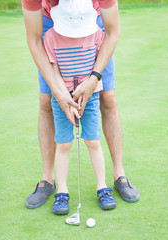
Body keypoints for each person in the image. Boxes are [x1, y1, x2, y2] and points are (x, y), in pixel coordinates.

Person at [22, 0, 140, 210]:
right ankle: (49, 179)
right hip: (53, 24)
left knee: (108, 97)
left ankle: (118, 174)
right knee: (46, 100)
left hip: (90, 20)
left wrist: (94, 77)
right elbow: (34, 40)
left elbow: (112, 32)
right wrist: (58, 91)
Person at [44, 0, 117, 213]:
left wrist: (87, 89)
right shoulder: (51, 38)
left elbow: (97, 66)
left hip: (91, 96)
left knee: (93, 141)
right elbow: (54, 71)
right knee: (64, 144)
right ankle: (63, 192)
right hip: (62, 99)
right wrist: (63, 96)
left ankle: (102, 187)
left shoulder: (95, 34)